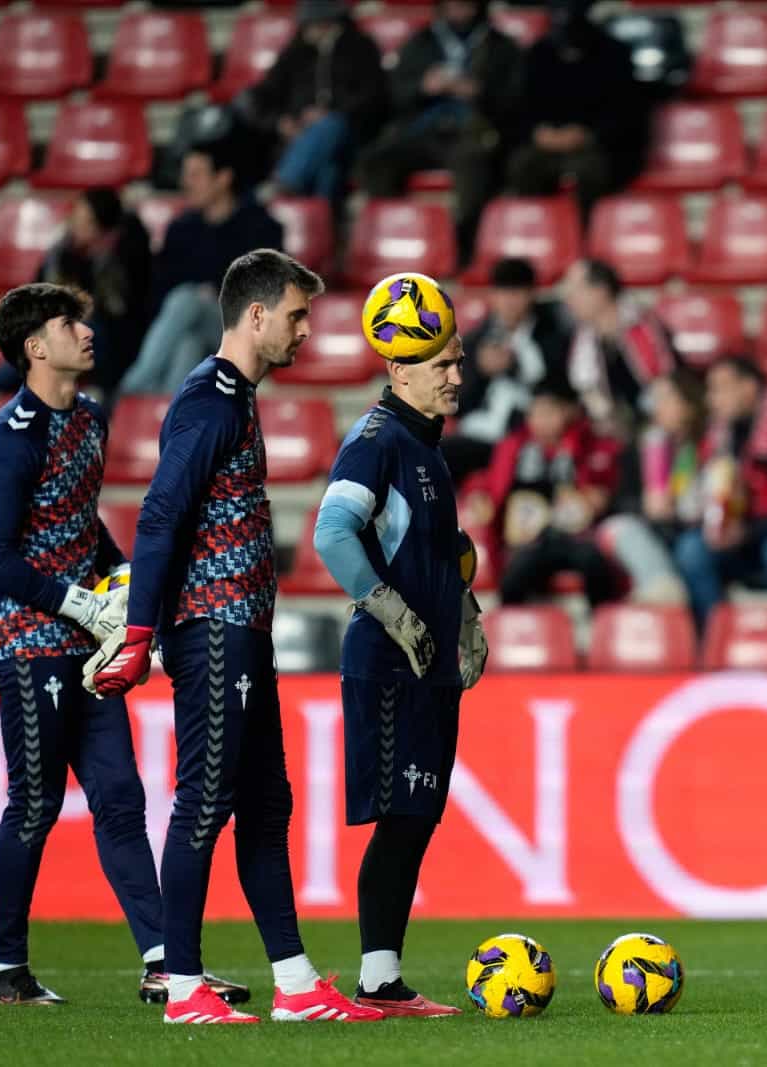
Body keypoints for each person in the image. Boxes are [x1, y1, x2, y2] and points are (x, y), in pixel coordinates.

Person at [88, 252, 380, 1025]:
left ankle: (293, 981)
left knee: (265, 802)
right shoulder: (210, 399)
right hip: (213, 629)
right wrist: (139, 628)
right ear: (255, 315)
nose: (305, 330)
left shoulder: (233, 398)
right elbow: (159, 513)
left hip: (240, 630)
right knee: (205, 802)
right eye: (295, 315)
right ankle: (183, 986)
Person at [0, 284, 247, 1007]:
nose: (87, 332)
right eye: (70, 324)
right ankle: (8, 971)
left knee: (121, 797)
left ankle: (162, 959)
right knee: (34, 803)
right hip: (27, 641)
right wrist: (79, 600)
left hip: (85, 639)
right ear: (36, 348)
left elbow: (78, 522)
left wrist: (124, 582)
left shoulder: (88, 419)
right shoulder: (11, 436)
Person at [312, 280, 488, 1015]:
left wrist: (467, 611)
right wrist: (388, 608)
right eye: (442, 363)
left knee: (417, 816)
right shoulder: (379, 442)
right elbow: (329, 532)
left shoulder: (424, 446)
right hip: (390, 662)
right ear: (398, 371)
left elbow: (438, 547)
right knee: (401, 817)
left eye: (456, 360)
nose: (456, 374)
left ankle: (385, 976)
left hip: (428, 662)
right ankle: (378, 979)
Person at [354, 0, 526, 263]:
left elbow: (516, 101)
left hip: (472, 134)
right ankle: (395, 244)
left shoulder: (500, 46)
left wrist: (479, 92)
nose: (459, 8)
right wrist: (423, 87)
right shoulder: (421, 42)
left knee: (473, 164)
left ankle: (463, 251)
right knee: (374, 162)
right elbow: (392, 95)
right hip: (423, 132)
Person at [119, 135, 285, 397]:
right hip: (193, 329)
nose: (186, 183)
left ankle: (131, 389)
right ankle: (167, 420)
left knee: (186, 300)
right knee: (188, 344)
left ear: (223, 178)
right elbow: (160, 293)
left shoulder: (260, 228)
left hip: (247, 332)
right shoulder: (181, 229)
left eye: (195, 175)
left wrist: (214, 295)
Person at [673, 357, 767, 631]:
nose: (712, 400)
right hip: (738, 537)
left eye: (719, 389)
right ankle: (713, 640)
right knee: (692, 549)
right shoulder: (719, 436)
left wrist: (748, 533)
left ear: (748, 387)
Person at [466, 376, 625, 606]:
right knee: (515, 576)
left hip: (577, 536)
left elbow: (606, 489)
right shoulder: (513, 447)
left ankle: (600, 629)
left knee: (594, 564)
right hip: (529, 539)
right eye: (535, 414)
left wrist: (597, 498)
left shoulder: (591, 445)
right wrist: (480, 496)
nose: (541, 421)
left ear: (568, 412)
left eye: (549, 413)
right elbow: (490, 484)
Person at [505, 0, 650, 217]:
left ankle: (589, 239)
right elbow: (521, 108)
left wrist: (588, 135)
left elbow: (626, 112)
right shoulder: (538, 54)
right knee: (522, 166)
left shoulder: (614, 54)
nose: (563, 21)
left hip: (598, 144)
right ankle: (541, 234)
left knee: (590, 172)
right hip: (547, 141)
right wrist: (538, 134)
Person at [244, 0, 388, 202]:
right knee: (328, 165)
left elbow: (374, 96)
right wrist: (281, 122)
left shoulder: (361, 48)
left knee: (330, 128)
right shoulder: (296, 52)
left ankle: (285, 184)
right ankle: (320, 223)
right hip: (301, 135)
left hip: (351, 132)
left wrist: (331, 113)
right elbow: (263, 95)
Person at [441, 257, 571, 481]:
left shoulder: (554, 335)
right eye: (502, 293)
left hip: (529, 438)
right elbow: (458, 405)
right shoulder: (476, 339)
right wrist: (479, 372)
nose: (509, 302)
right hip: (479, 435)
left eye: (516, 293)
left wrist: (516, 364)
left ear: (531, 294)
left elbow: (561, 387)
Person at [600, 368, 706, 605]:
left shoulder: (706, 445)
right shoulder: (641, 447)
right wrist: (645, 507)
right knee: (616, 528)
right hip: (652, 527)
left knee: (693, 550)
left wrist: (679, 508)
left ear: (689, 405)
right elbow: (622, 501)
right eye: (654, 400)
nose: (656, 407)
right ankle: (663, 586)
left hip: (693, 527)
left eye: (666, 399)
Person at [35, 188, 152, 395]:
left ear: (102, 227)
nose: (76, 227)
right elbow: (35, 293)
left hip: (109, 338)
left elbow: (121, 308)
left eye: (85, 222)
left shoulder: (121, 255)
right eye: (75, 219)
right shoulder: (62, 252)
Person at [562, 258, 675, 436]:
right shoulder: (582, 338)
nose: (569, 299)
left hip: (652, 424)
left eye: (576, 290)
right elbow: (587, 392)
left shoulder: (644, 326)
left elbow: (664, 380)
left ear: (601, 291)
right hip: (607, 430)